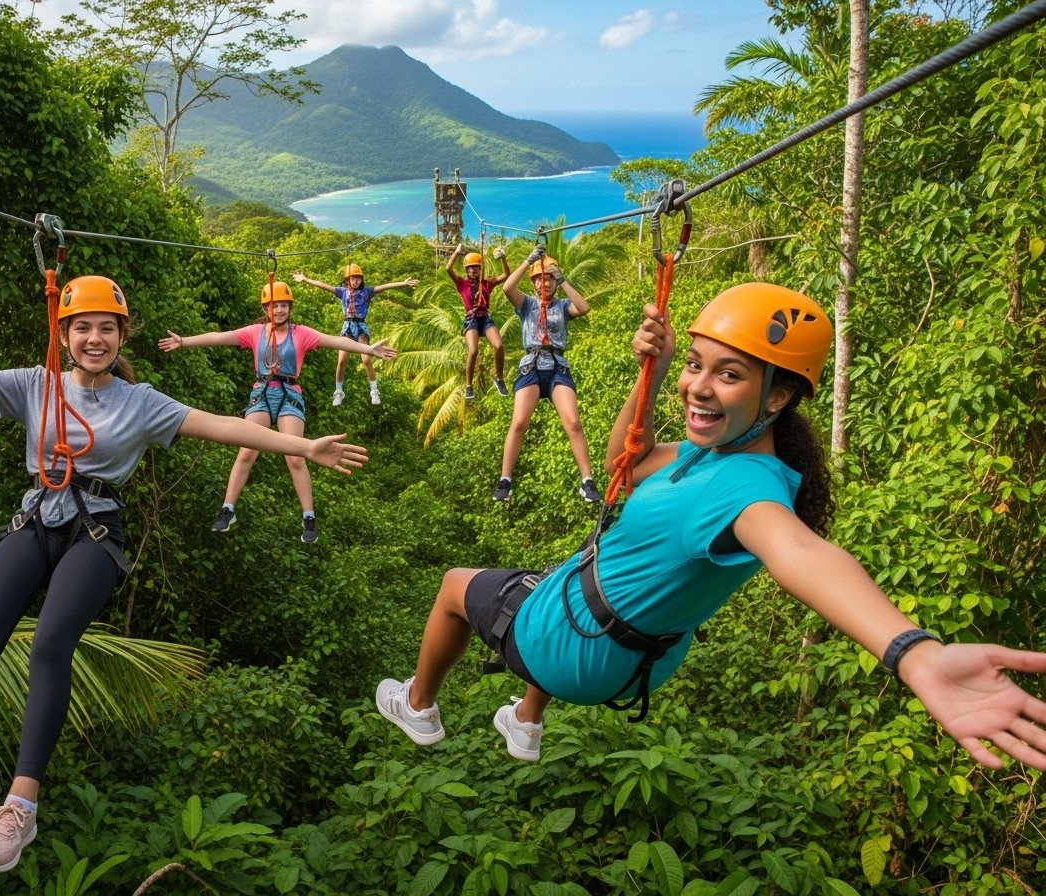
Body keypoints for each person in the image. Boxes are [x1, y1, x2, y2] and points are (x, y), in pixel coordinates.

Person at [0, 275, 369, 873]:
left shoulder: (141, 402)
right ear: (64, 334)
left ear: (122, 334)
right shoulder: (36, 386)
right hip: (36, 520)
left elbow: (220, 424)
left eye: (107, 328)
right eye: (83, 327)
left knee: (51, 644)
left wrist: (302, 446)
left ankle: (19, 807)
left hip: (97, 532)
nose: (96, 338)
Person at [375, 282, 1046, 769]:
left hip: (579, 651)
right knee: (560, 578)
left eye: (729, 375)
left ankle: (421, 706)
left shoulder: (746, 494)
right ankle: (525, 721)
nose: (699, 387)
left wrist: (913, 652)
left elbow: (803, 554)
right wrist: (655, 370)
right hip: (636, 658)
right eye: (696, 367)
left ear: (777, 397)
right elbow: (621, 463)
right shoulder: (723, 457)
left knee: (457, 586)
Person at [159, 279, 396, 543]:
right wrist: (184, 341)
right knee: (247, 450)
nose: (279, 310)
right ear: (266, 308)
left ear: (289, 307)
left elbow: (335, 340)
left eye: (283, 305)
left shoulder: (301, 333)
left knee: (295, 455)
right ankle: (228, 510)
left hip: (289, 395)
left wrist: (367, 348)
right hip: (261, 393)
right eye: (274, 306)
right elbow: (219, 337)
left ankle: (308, 516)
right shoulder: (255, 332)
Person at [492, 244, 599, 504]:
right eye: (540, 279)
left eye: (549, 279)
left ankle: (587, 481)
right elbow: (507, 288)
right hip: (531, 364)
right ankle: (505, 480)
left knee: (572, 422)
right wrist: (530, 261)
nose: (545, 284)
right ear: (534, 282)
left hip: (557, 365)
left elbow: (583, 307)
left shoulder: (562, 306)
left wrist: (562, 279)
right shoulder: (526, 304)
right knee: (519, 423)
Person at [292, 264, 418, 406]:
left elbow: (385, 286)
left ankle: (374, 391)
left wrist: (403, 283)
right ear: (348, 279)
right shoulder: (342, 292)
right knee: (341, 362)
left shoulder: (367, 292)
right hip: (347, 328)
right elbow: (323, 285)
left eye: (358, 278)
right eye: (353, 278)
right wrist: (305, 279)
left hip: (360, 327)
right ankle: (339, 392)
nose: (356, 281)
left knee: (366, 360)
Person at [445, 243, 510, 401]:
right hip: (472, 319)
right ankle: (469, 385)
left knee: (499, 345)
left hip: (485, 318)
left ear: (480, 269)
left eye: (476, 268)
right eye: (470, 268)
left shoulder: (487, 283)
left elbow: (506, 275)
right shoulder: (462, 284)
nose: (474, 271)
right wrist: (456, 252)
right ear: (467, 270)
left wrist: (502, 257)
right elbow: (448, 269)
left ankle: (499, 379)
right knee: (473, 351)